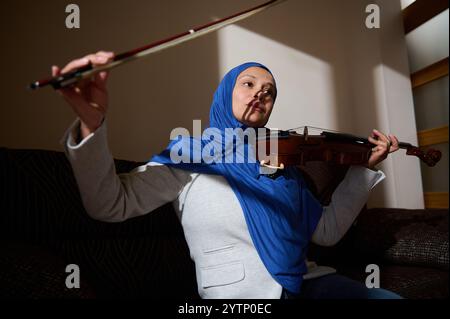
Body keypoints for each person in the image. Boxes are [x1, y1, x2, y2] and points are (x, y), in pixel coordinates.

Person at [52, 51, 402, 299]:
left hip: (311, 283)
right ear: (225, 93)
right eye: (248, 84)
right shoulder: (191, 153)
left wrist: (362, 169)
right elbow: (110, 203)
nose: (259, 95)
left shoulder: (281, 160)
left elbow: (326, 232)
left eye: (269, 93)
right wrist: (92, 124)